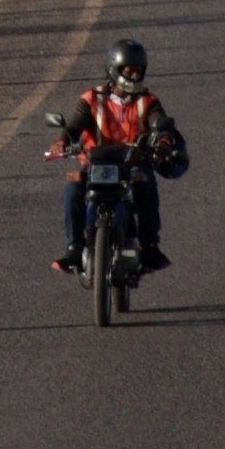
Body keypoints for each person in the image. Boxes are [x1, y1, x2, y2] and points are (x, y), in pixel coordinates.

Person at [51, 35, 186, 278]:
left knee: (146, 185)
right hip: (95, 163)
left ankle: (150, 247)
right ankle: (74, 247)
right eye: (129, 70)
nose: (135, 76)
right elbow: (72, 126)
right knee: (73, 185)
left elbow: (161, 125)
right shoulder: (91, 98)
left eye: (138, 70)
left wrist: (163, 143)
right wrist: (62, 142)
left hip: (132, 163)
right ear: (114, 70)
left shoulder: (148, 100)